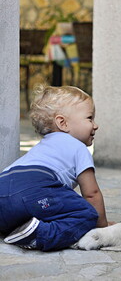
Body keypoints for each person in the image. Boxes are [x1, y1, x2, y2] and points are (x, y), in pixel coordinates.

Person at [0, 85, 111, 251]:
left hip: (4, 185)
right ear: (62, 123)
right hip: (36, 187)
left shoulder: (42, 146)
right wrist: (102, 227)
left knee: (30, 208)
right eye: (90, 118)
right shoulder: (79, 147)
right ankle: (39, 235)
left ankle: (18, 227)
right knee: (86, 214)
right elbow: (91, 193)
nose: (95, 126)